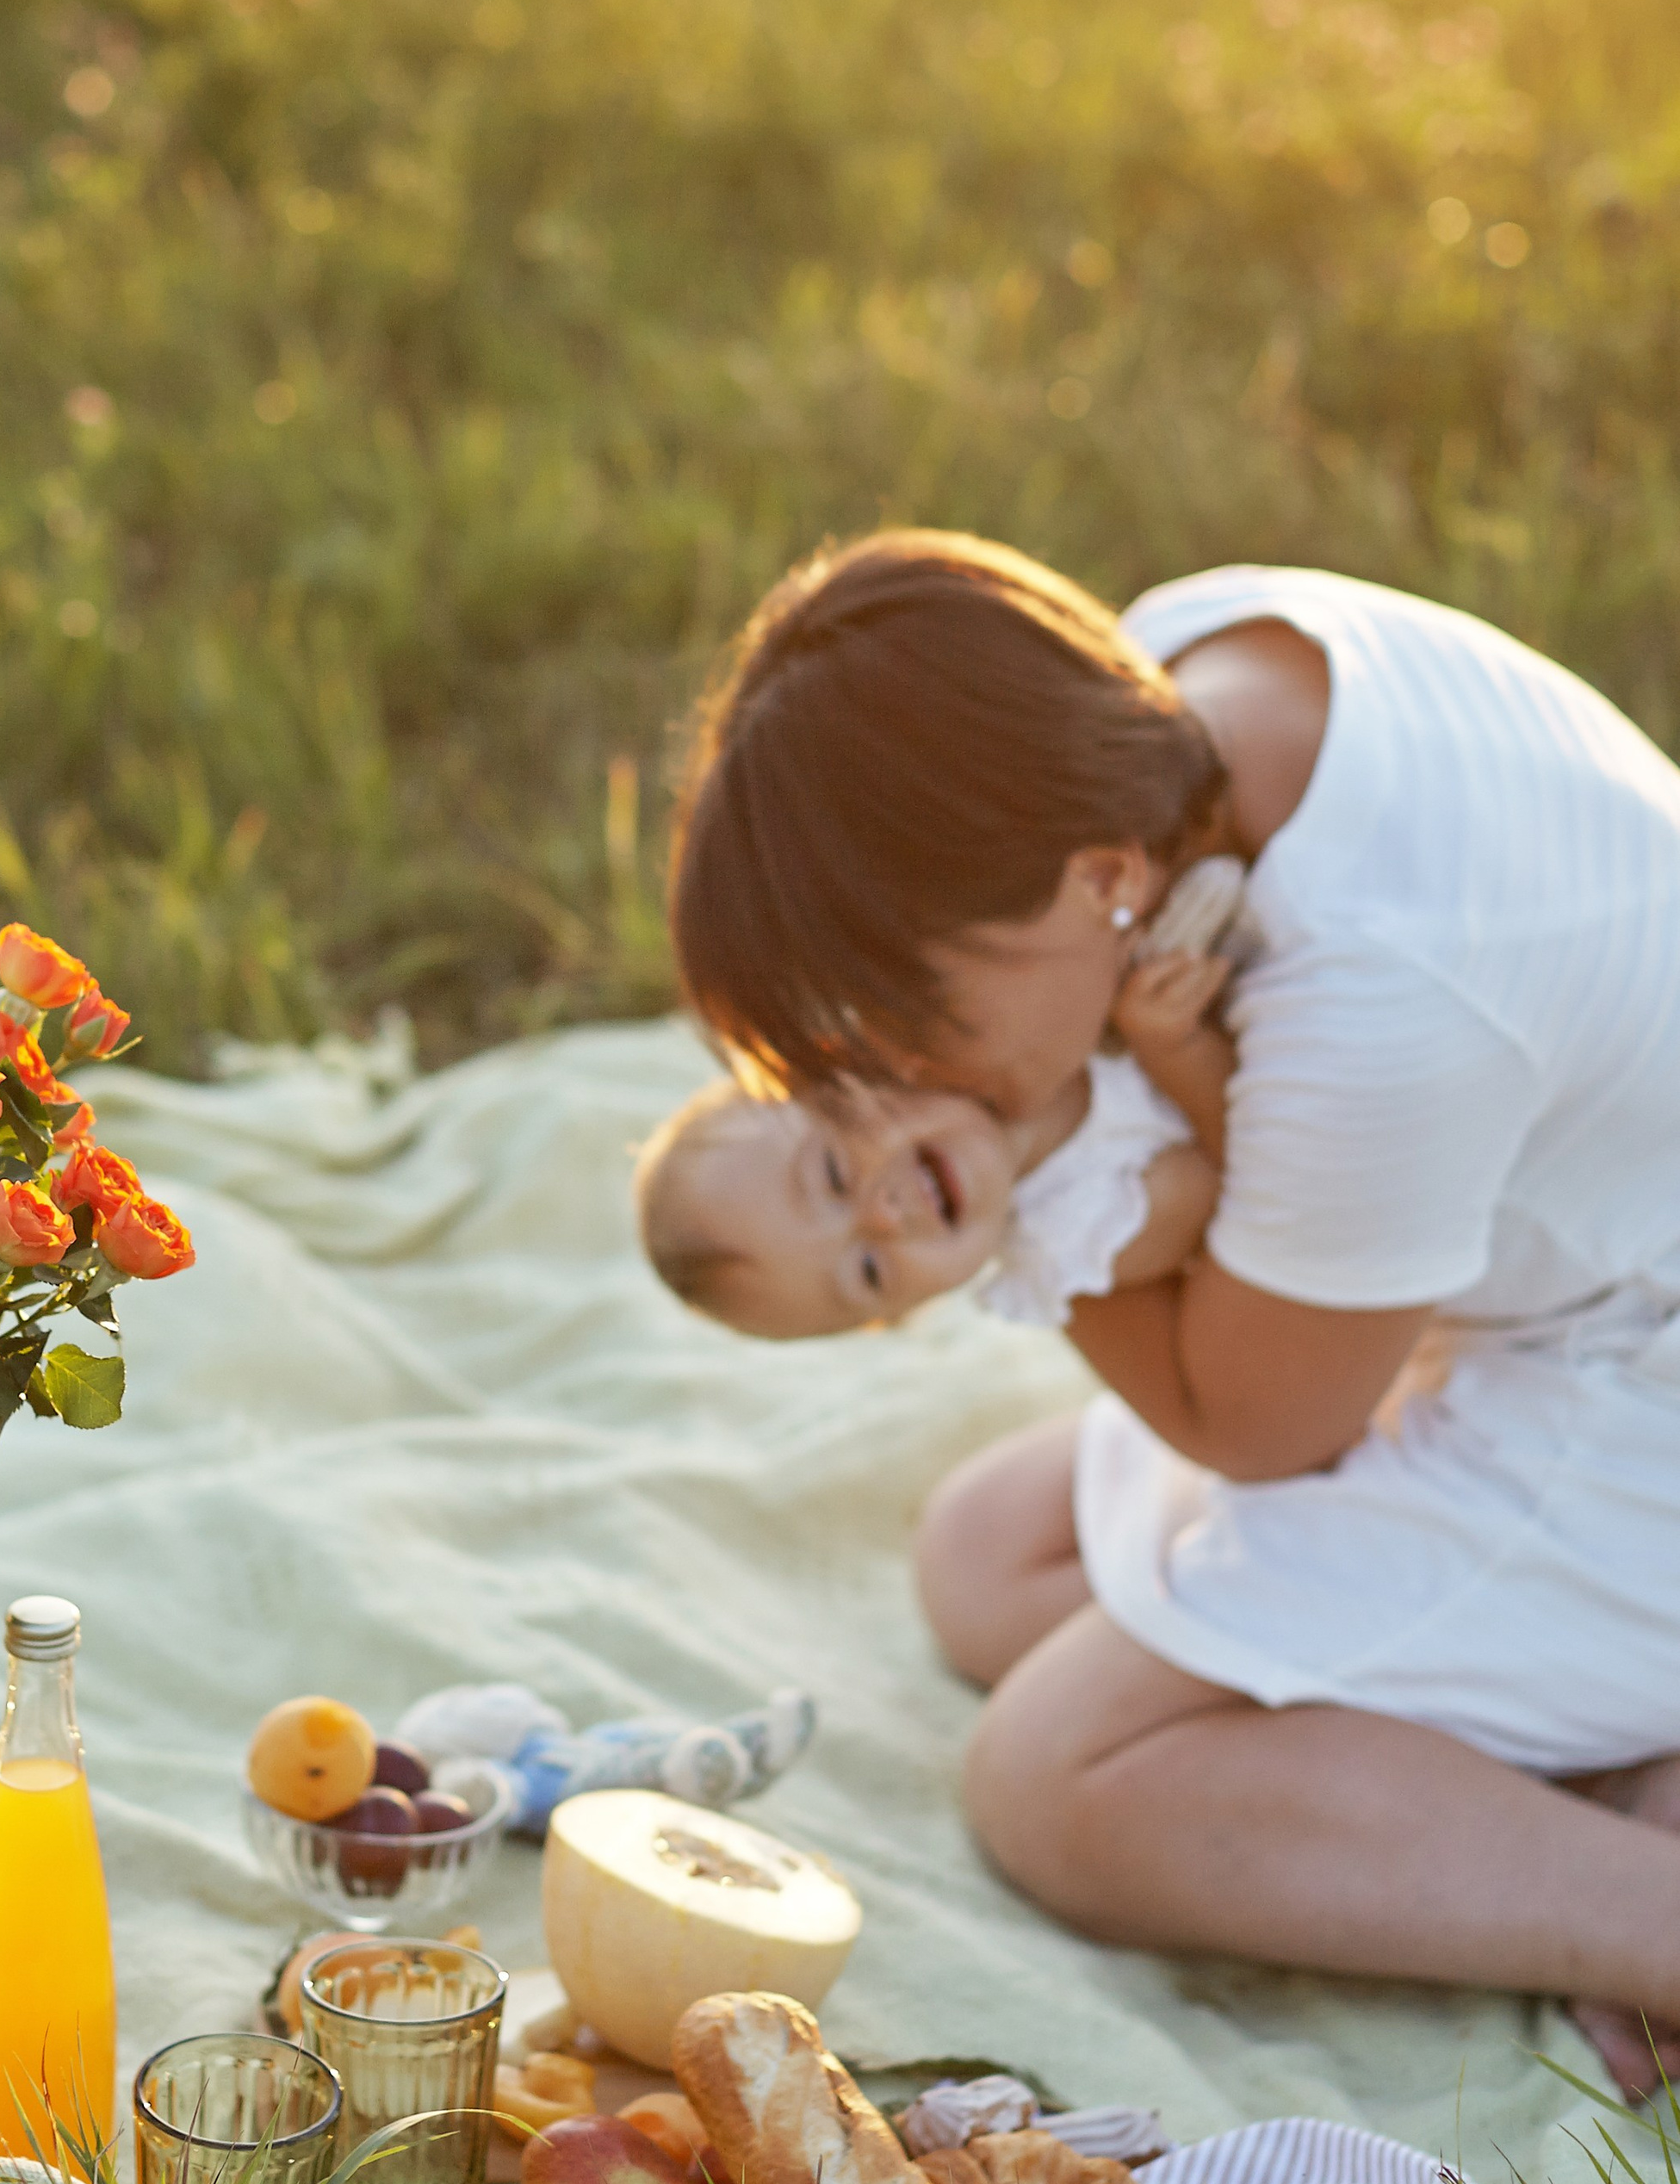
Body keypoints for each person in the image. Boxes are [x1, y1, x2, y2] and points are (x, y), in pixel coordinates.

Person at [667, 529, 1680, 2102]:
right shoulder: (1189, 685)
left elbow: (1263, 1432)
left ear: (1100, 888)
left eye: (916, 1016)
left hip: (1632, 1387)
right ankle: (1583, 1734)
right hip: (1520, 1306)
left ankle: (1645, 1907)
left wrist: (1022, 1231)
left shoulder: (1386, 989)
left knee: (1057, 1776)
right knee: (988, 1555)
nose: (907, 1078)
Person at [632, 921, 1233, 1341]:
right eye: (870, 1270)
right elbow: (1239, 1166)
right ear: (905, 1313)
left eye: (835, 1176)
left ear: (835, 1057)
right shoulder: (1076, 1234)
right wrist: (1175, 1049)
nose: (883, 1218)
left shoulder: (975, 999)